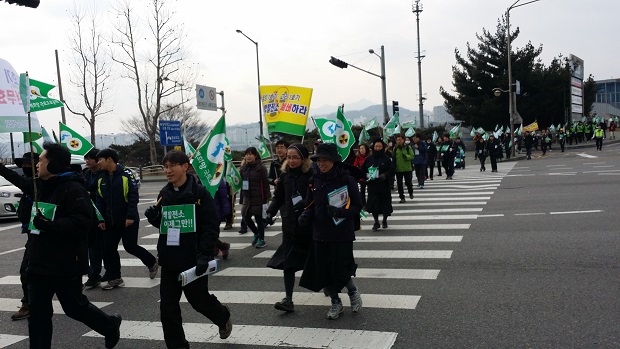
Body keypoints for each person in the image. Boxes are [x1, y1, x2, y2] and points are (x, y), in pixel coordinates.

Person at [25, 143, 122, 349]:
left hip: (64, 262)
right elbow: (21, 189)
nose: (37, 164)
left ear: (53, 164)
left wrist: (50, 226)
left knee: (74, 307)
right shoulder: (40, 187)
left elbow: (83, 222)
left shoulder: (73, 187)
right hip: (38, 262)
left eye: (41, 160)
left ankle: (109, 325)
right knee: (38, 316)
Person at [144, 151, 232, 348]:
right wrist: (155, 218)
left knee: (200, 302)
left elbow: (210, 227)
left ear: (185, 167)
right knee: (168, 309)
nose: (167, 171)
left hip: (193, 260)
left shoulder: (200, 194)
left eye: (172, 166)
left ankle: (222, 316)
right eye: (165, 167)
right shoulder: (164, 195)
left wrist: (203, 255)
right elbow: (166, 227)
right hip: (169, 260)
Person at [298, 143, 362, 320]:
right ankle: (336, 302)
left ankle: (353, 292)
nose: (321, 164)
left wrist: (341, 212)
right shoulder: (314, 180)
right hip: (320, 233)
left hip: (341, 233)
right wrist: (305, 215)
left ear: (334, 161)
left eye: (325, 160)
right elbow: (310, 204)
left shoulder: (346, 179)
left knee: (341, 269)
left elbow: (358, 206)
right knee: (324, 270)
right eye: (319, 160)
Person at [96, 148, 158, 290]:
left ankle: (152, 261)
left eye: (100, 159)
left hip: (127, 220)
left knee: (130, 246)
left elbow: (133, 197)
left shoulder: (126, 175)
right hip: (109, 221)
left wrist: (130, 216)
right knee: (108, 249)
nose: (98, 162)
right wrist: (100, 219)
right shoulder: (101, 178)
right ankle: (115, 278)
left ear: (109, 159)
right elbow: (100, 200)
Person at [266, 144, 313, 313]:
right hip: (289, 226)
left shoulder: (311, 175)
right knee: (288, 264)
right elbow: (278, 197)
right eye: (289, 157)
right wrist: (270, 213)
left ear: (304, 159)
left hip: (308, 227)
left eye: (296, 157)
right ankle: (288, 299)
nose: (292, 161)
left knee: (316, 262)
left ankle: (330, 287)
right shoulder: (285, 176)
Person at [0, 152, 38, 321]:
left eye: (27, 165)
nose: (24, 168)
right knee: (28, 271)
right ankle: (30, 303)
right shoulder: (32, 184)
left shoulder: (37, 185)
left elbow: (13, 177)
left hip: (43, 236)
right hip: (34, 235)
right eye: (22, 165)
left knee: (27, 271)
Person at [82, 148, 106, 289]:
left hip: (102, 213)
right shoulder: (85, 173)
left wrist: (92, 194)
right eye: (86, 159)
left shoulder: (103, 174)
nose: (87, 161)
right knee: (93, 247)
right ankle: (94, 275)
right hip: (89, 213)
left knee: (104, 247)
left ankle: (109, 272)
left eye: (90, 158)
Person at [240, 147, 271, 248]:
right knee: (245, 216)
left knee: (258, 219)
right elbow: (241, 182)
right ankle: (256, 233)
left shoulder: (260, 167)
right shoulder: (243, 168)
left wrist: (267, 197)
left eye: (251, 154)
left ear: (255, 155)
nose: (248, 156)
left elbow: (265, 183)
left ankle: (261, 239)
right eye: (247, 154)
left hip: (258, 196)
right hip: (247, 197)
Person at [362, 139, 394, 230]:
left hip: (384, 185)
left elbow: (392, 170)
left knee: (385, 204)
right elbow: (363, 170)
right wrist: (365, 178)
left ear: (383, 148)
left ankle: (384, 220)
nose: (378, 148)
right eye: (376, 146)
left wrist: (385, 175)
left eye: (380, 146)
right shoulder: (369, 159)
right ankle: (376, 222)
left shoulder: (387, 158)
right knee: (374, 205)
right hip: (372, 185)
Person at [392, 134, 414, 203]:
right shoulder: (395, 149)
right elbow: (393, 158)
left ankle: (410, 192)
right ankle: (402, 197)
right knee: (399, 184)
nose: (398, 141)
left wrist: (406, 157)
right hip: (398, 169)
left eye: (400, 140)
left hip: (407, 169)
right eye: (397, 140)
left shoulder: (408, 147)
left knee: (408, 183)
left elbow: (412, 156)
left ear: (403, 140)